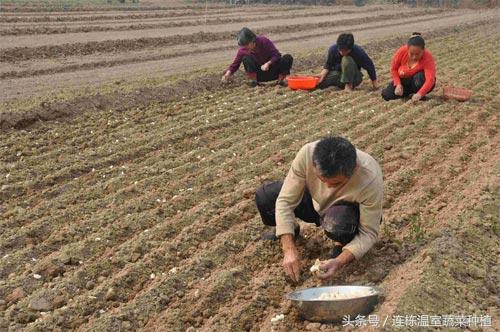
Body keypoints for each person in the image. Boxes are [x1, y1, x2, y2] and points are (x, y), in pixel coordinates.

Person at [255, 136, 383, 282]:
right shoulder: (307, 153)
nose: (327, 187)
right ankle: (291, 230)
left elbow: (369, 232)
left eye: (335, 183)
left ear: (352, 170)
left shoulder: (369, 178)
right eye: (322, 180)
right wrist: (288, 249)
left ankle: (341, 243)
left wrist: (339, 261)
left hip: (343, 212)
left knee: (339, 223)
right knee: (266, 197)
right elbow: (285, 201)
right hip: (314, 202)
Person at [221, 27, 293, 87]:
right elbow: (235, 65)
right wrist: (227, 75)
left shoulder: (264, 41)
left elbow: (276, 55)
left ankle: (280, 81)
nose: (245, 47)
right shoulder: (243, 50)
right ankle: (254, 82)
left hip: (274, 71)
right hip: (259, 75)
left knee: (287, 58)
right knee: (246, 58)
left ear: (252, 40)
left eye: (247, 44)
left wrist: (268, 63)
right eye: (244, 45)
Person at [381, 33, 436, 102]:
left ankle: (417, 94)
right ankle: (408, 94)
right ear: (407, 49)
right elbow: (393, 69)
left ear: (423, 50)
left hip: (417, 82)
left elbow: (430, 79)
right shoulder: (402, 51)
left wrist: (420, 94)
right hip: (404, 80)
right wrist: (398, 84)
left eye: (417, 54)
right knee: (387, 95)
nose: (414, 57)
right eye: (411, 54)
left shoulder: (428, 58)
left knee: (420, 77)